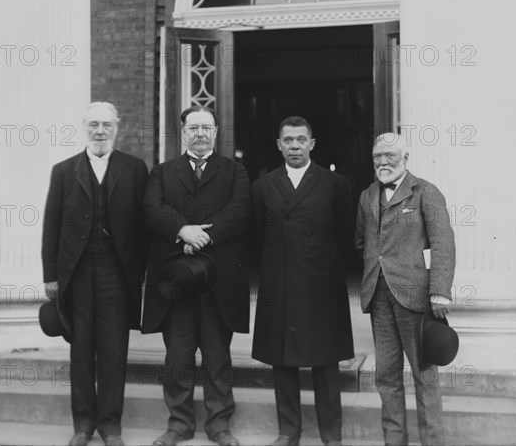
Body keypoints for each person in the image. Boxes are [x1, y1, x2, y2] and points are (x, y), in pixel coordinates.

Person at [41, 102, 149, 446]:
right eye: (93, 125)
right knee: (81, 349)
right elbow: (51, 225)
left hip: (117, 273)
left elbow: (143, 225)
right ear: (83, 128)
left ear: (117, 127)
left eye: (106, 124)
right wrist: (51, 276)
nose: (99, 130)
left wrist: (142, 271)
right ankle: (83, 424)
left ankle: (111, 425)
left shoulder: (134, 169)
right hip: (77, 273)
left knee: (115, 349)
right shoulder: (63, 170)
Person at [142, 106, 250, 446]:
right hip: (176, 282)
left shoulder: (235, 172)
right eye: (193, 128)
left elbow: (240, 211)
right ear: (182, 132)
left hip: (219, 282)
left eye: (206, 127)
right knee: (177, 357)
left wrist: (205, 235)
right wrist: (182, 230)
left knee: (218, 356)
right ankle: (179, 424)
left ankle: (219, 426)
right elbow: (151, 209)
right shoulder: (162, 172)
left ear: (217, 132)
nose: (200, 133)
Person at [251, 116, 355, 446]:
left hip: (323, 284)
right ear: (279, 145)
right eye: (288, 140)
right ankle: (288, 431)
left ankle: (331, 434)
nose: (295, 145)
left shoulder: (335, 184)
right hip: (279, 282)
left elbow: (345, 236)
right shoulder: (263, 186)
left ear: (312, 144)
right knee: (282, 360)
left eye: (301, 139)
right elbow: (256, 238)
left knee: (326, 361)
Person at [355, 132, 456, 445]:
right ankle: (394, 440)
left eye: (390, 156)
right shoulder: (367, 195)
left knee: (424, 376)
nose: (383, 162)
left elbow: (443, 242)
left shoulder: (426, 191)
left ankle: (433, 441)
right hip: (379, 296)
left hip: (415, 298)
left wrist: (439, 290)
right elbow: (362, 241)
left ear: (406, 158)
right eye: (377, 157)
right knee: (386, 375)